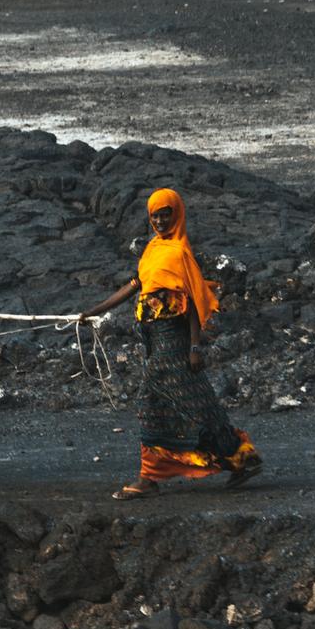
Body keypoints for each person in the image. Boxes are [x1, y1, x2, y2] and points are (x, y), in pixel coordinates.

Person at [79, 187, 262, 500]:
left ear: (177, 215)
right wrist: (94, 311)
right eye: (155, 215)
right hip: (153, 341)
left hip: (173, 344)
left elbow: (190, 304)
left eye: (166, 214)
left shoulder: (179, 253)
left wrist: (194, 348)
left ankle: (149, 478)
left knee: (153, 404)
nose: (161, 220)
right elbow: (135, 285)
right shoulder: (152, 249)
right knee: (196, 404)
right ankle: (242, 459)